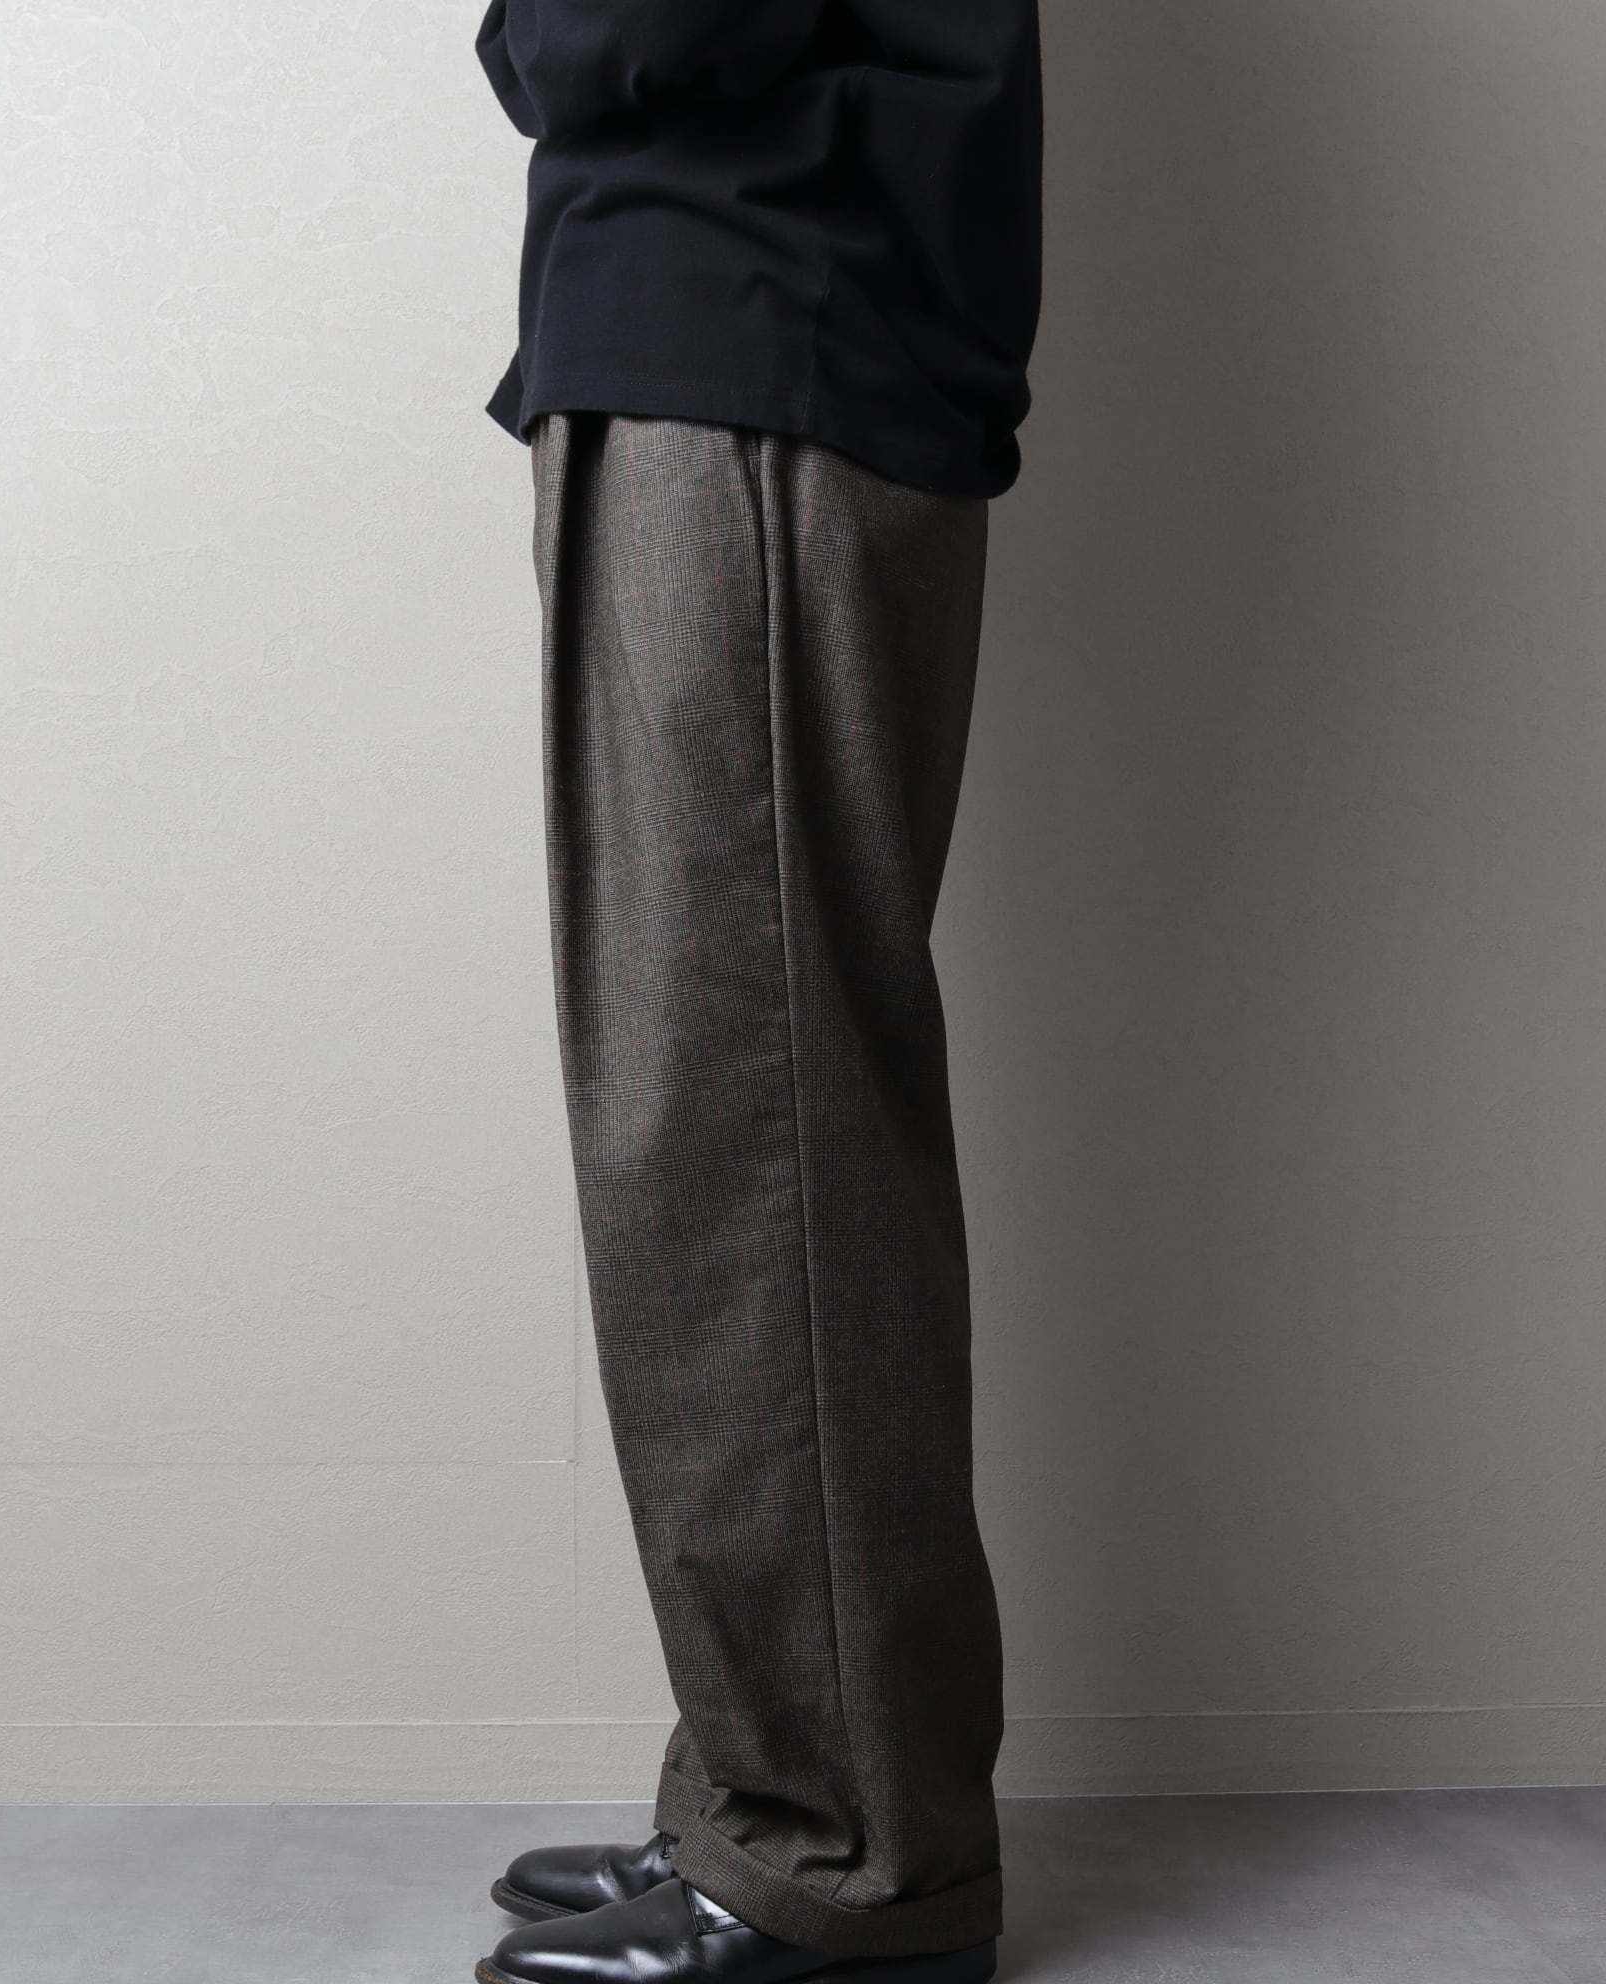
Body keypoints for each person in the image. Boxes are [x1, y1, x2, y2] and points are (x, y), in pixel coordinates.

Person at [470, 3, 1043, 1979]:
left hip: (756, 338)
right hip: (738, 332)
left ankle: (847, 1853)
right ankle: (764, 1787)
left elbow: (606, 29)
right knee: (725, 1110)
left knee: (742, 1126)